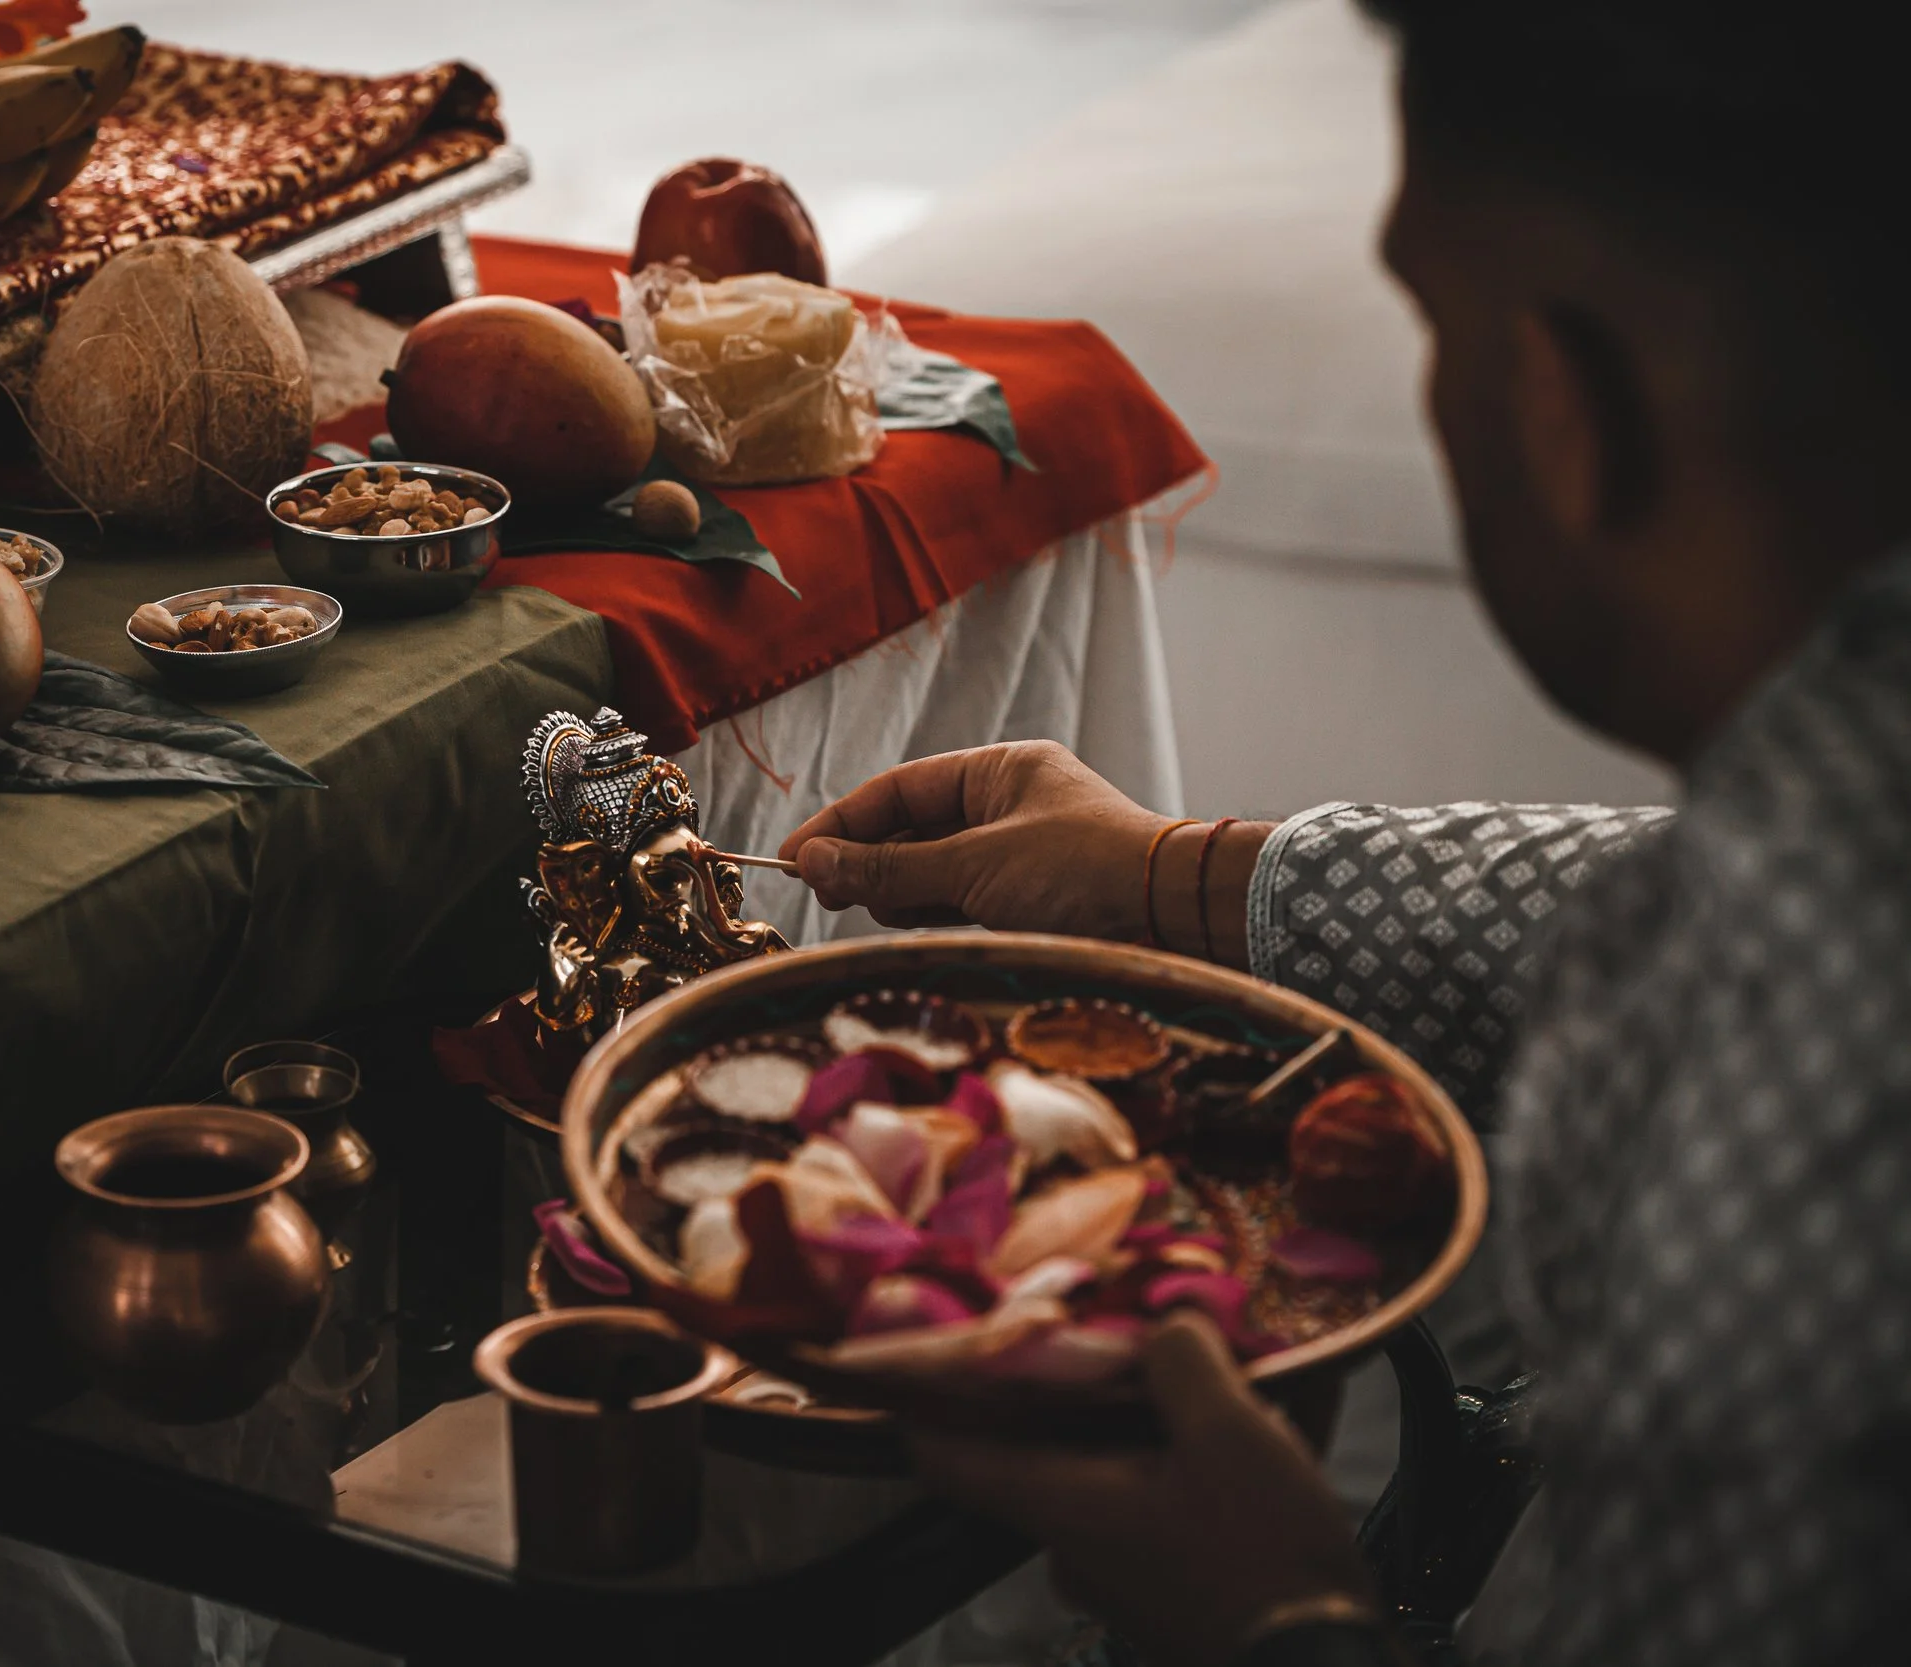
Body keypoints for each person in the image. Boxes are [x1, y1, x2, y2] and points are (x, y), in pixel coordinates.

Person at [777, 2, 1911, 1663]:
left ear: (1562, 405)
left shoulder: (1805, 1074)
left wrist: (1273, 1611)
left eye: (1434, 322)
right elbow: (1636, 898)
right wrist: (1171, 878)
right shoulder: (1816, 850)